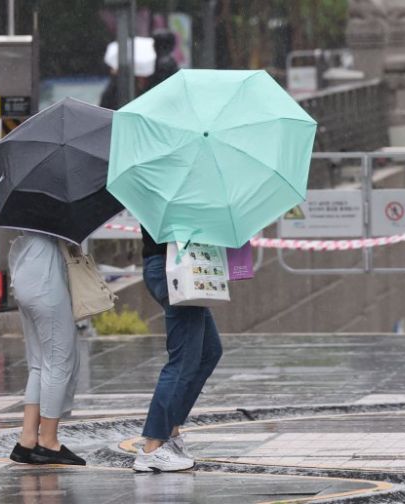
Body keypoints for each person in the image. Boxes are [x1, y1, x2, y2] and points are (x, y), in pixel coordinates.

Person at [132, 31, 223, 472]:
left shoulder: (171, 163)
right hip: (172, 266)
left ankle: (169, 431)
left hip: (174, 264)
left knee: (208, 351)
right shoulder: (167, 168)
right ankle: (152, 446)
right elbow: (175, 221)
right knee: (183, 358)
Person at [8, 232, 85, 466]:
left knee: (39, 363)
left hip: (24, 268)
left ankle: (27, 439)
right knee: (58, 359)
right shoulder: (52, 218)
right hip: (45, 274)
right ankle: (48, 441)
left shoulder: (26, 217)